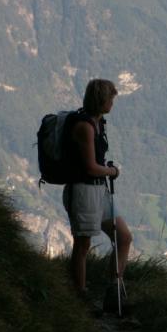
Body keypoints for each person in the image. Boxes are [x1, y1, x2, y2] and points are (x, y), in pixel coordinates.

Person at [62, 78, 132, 301]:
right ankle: (80, 295)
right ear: (101, 100)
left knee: (123, 237)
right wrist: (112, 171)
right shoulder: (85, 126)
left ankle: (114, 290)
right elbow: (91, 167)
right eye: (110, 98)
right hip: (83, 191)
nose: (112, 103)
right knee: (83, 244)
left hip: (98, 191)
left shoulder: (98, 123)